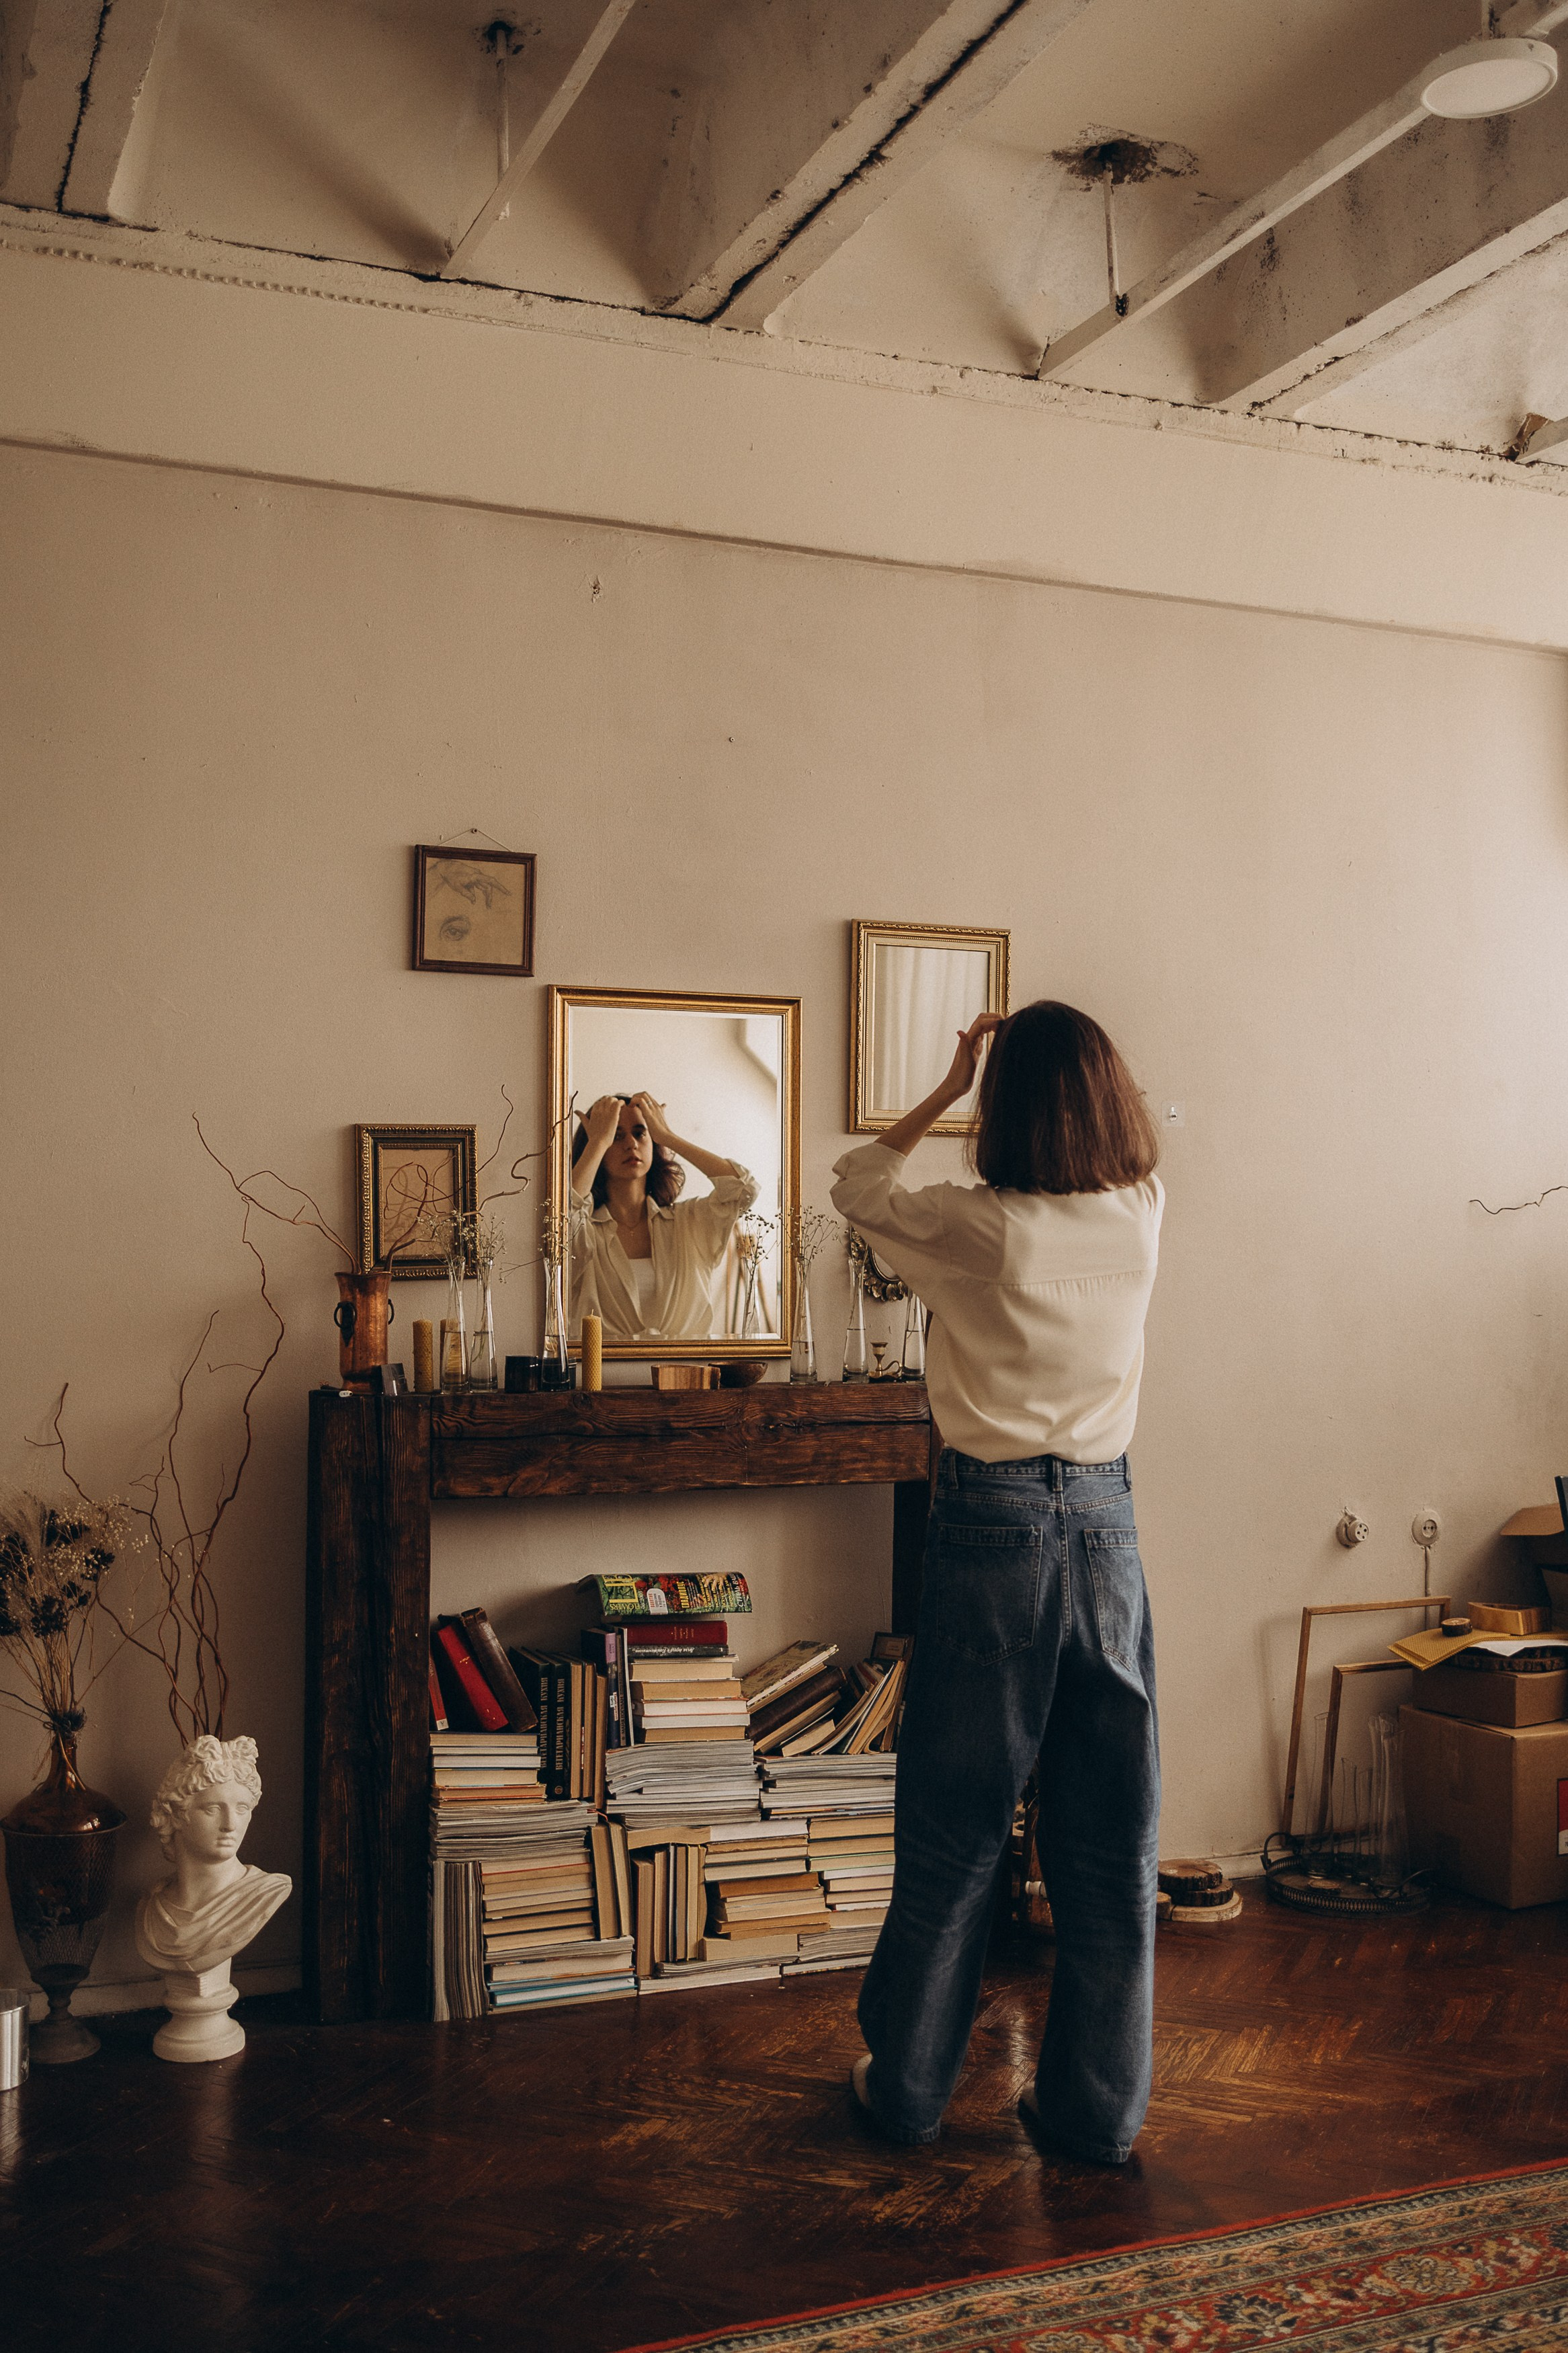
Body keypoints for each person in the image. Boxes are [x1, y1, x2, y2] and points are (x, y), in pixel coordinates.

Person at [829, 1000, 1163, 2160]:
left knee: (955, 1829)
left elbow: (855, 1186)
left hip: (989, 1529)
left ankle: (911, 2088)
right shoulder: (1142, 1214)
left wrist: (946, 1077)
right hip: (1107, 1533)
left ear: (1002, 1108)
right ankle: (1095, 2114)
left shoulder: (981, 1230)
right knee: (1108, 1843)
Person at [570, 1091, 759, 1342]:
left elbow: (743, 1189)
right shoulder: (584, 1232)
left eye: (640, 1133)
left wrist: (667, 1136)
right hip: (605, 1379)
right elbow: (562, 1217)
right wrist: (597, 1143)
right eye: (616, 1135)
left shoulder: (691, 1222)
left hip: (689, 1374)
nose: (631, 1144)